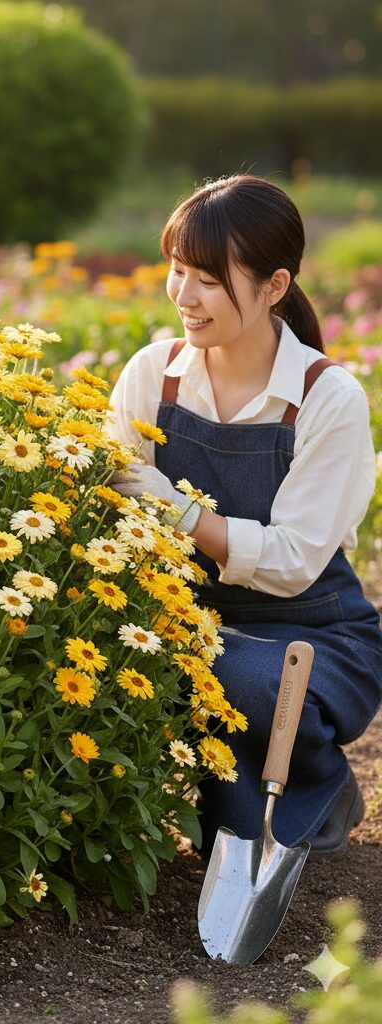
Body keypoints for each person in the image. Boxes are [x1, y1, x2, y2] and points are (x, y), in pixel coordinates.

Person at [105, 173, 382, 861]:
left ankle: (318, 788)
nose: (184, 296)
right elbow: (109, 487)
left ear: (274, 286)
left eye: (207, 278)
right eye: (176, 271)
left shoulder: (325, 398)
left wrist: (171, 506)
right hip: (184, 613)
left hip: (309, 629)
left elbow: (291, 563)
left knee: (235, 682)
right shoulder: (154, 373)